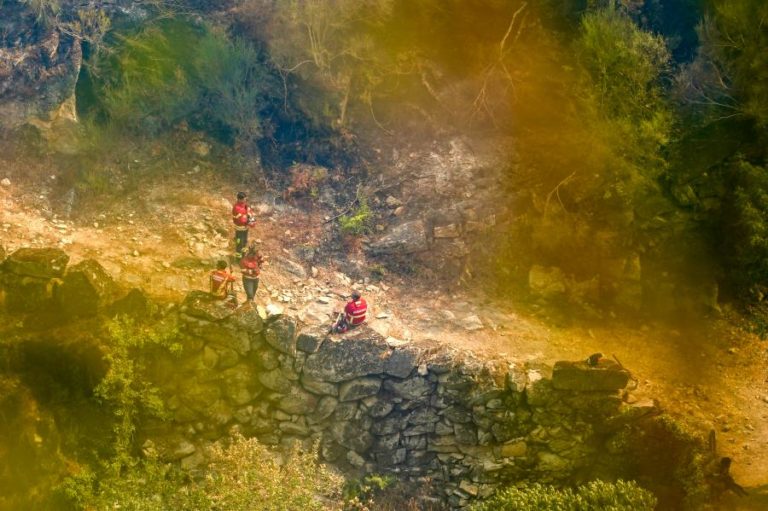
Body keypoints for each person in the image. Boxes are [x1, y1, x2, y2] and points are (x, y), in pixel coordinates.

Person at [232, 191, 255, 259]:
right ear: (239, 199)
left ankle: (243, 256)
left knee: (245, 241)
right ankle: (238, 258)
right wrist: (248, 221)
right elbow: (241, 220)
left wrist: (252, 220)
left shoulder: (245, 206)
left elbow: (250, 213)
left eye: (245, 199)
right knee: (239, 242)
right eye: (244, 199)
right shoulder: (237, 208)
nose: (245, 200)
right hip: (239, 229)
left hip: (245, 228)